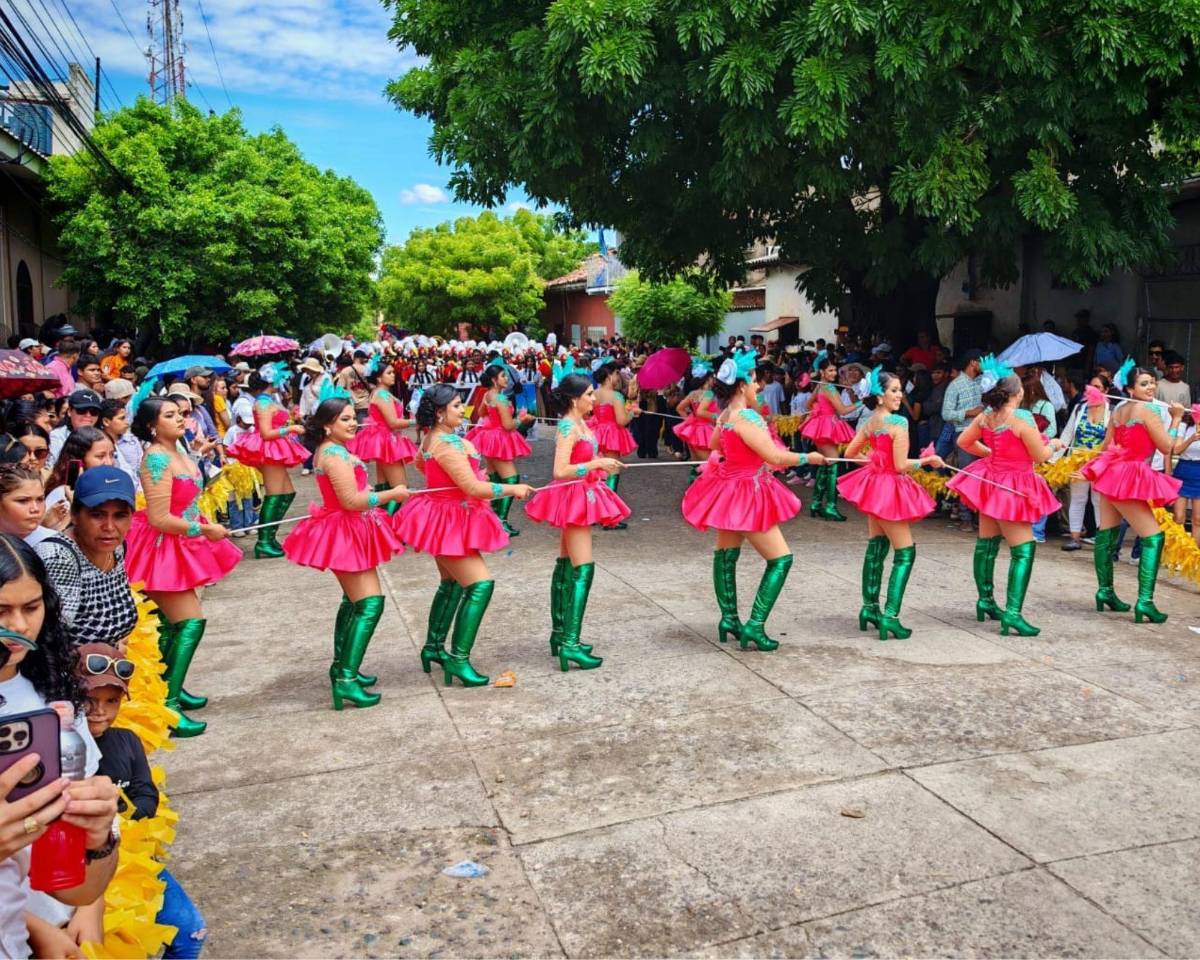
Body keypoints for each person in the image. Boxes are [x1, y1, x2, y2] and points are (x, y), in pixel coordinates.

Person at [0, 535, 120, 959]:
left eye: (31, 608)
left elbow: (81, 884)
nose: (18, 626)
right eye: (1, 611)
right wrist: (37, 930)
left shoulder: (50, 695)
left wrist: (101, 838)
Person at [681, 350, 827, 651]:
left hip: (728, 491)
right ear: (741, 386)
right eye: (753, 382)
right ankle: (755, 625)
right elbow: (773, 456)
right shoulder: (748, 417)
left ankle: (729, 619)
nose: (758, 387)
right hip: (748, 492)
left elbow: (712, 445)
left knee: (725, 557)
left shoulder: (726, 416)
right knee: (781, 559)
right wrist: (807, 456)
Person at [394, 384, 533, 686]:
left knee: (451, 584)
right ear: (441, 412)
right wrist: (511, 489)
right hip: (451, 519)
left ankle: (433, 647)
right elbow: (472, 488)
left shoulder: (434, 438)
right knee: (480, 585)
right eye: (457, 405)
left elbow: (420, 463)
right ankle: (458, 659)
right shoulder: (445, 443)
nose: (463, 410)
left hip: (443, 516)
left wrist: (445, 483)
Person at [79, 643, 207, 958]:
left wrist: (119, 812)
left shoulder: (127, 741)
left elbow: (147, 793)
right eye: (89, 700)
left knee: (192, 933)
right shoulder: (62, 751)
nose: (100, 710)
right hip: (81, 876)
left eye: (111, 701)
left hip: (132, 862)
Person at [126, 396, 239, 737]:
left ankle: (167, 687)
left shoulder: (181, 449)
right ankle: (168, 707)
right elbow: (160, 518)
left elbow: (186, 500)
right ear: (150, 425)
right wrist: (204, 530)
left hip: (184, 542)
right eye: (170, 415)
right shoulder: (157, 458)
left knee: (175, 625)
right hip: (163, 548)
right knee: (190, 622)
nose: (181, 419)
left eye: (182, 414)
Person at [285, 395, 408, 709]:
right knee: (370, 604)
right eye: (345, 419)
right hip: (346, 530)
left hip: (350, 529)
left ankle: (343, 668)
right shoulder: (334, 454)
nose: (354, 422)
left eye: (355, 417)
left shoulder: (334, 450)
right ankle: (346, 679)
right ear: (327, 425)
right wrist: (390, 494)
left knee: (354, 603)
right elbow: (350, 501)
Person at [949, 356, 1065, 636]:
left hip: (990, 480)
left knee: (986, 543)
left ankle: (986, 600)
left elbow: (963, 441)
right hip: (1013, 484)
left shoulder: (985, 416)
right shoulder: (1022, 417)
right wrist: (1055, 445)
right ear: (1018, 392)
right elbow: (1039, 455)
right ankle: (1012, 613)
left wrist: (990, 453)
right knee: (1023, 549)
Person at [524, 374, 627, 670]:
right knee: (583, 568)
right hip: (574, 497)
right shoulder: (569, 426)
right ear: (574, 399)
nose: (594, 399)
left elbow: (579, 462)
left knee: (567, 563)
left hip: (580, 493)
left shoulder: (580, 423)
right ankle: (570, 641)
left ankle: (561, 635)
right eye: (590, 395)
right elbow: (560, 470)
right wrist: (595, 463)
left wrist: (601, 464)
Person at [839, 369, 943, 640]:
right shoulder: (898, 423)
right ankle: (891, 617)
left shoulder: (871, 422)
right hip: (890, 487)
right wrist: (928, 461)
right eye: (894, 390)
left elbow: (851, 453)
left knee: (876, 548)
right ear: (880, 396)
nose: (899, 395)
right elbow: (901, 465)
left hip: (875, 487)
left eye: (900, 390)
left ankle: (869, 609)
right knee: (905, 552)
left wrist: (873, 458)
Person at [1080, 361, 1185, 622]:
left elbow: (1106, 447)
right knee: (1153, 538)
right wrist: (1177, 419)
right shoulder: (1148, 411)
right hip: (1131, 476)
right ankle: (1145, 602)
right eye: (1144, 384)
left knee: (1106, 534)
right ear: (1129, 388)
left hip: (1113, 475)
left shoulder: (1118, 411)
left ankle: (1105, 592)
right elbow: (1167, 446)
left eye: (1152, 382)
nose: (1150, 387)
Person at [36, 466, 139, 648]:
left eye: (120, 516)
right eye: (97, 515)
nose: (109, 526)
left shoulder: (116, 547)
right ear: (75, 515)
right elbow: (51, 641)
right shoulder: (59, 557)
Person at [226, 366, 306, 559]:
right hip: (269, 450)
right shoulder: (262, 403)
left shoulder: (268, 400)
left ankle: (269, 537)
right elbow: (265, 433)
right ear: (272, 381)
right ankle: (264, 541)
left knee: (287, 493)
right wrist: (291, 429)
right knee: (275, 494)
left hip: (274, 449)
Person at [465, 362, 533, 537]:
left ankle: (491, 518)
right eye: (503, 376)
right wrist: (522, 419)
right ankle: (500, 520)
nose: (506, 379)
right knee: (511, 479)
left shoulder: (488, 395)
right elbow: (508, 425)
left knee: (494, 477)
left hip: (488, 438)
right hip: (499, 438)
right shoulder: (501, 399)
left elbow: (481, 413)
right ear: (495, 380)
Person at [346, 356, 418, 509]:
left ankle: (381, 524)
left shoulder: (379, 393)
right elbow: (393, 423)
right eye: (389, 373)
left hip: (384, 440)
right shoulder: (382, 395)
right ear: (379, 377)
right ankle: (387, 525)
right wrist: (417, 421)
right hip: (387, 441)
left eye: (393, 372)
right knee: (400, 488)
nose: (393, 375)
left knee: (384, 486)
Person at [800, 352, 862, 521]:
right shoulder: (829, 388)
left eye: (835, 370)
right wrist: (862, 401)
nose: (834, 374)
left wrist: (817, 410)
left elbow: (807, 404)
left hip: (820, 426)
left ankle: (816, 503)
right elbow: (842, 410)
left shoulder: (820, 386)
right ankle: (830, 507)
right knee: (833, 465)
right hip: (828, 427)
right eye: (830, 370)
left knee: (824, 464)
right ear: (822, 372)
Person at [1058, 374, 1112, 551]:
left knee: (1099, 501)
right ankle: (1075, 538)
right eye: (1091, 386)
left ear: (1106, 391)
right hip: (1077, 460)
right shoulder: (1080, 408)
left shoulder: (1112, 411)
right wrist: (1054, 457)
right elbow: (1067, 434)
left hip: (1100, 463)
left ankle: (1100, 538)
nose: (1093, 390)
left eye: (1098, 387)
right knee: (1078, 499)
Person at [587, 361, 637, 531]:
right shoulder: (615, 396)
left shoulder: (593, 393)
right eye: (616, 373)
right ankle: (609, 516)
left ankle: (594, 512)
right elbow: (622, 421)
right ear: (609, 375)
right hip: (611, 434)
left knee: (597, 473)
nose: (618, 377)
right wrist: (632, 412)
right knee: (612, 472)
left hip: (595, 432)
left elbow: (588, 414)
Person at [942, 350, 985, 530]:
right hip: (964, 433)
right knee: (967, 473)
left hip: (985, 433)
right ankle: (966, 516)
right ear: (973, 363)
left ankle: (980, 515)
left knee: (983, 476)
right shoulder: (955, 385)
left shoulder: (984, 382)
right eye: (981, 361)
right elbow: (946, 413)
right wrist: (969, 413)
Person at [1021, 372, 1060, 544]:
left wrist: (1035, 438)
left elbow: (1052, 431)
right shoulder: (1021, 406)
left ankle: (1038, 530)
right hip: (1023, 452)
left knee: (1040, 490)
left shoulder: (1046, 406)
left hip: (1041, 451)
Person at [673, 364, 719, 473]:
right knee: (709, 465)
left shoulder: (693, 393)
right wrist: (717, 417)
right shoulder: (709, 394)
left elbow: (679, 408)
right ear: (708, 379)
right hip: (706, 431)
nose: (714, 379)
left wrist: (690, 420)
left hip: (693, 430)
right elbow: (700, 412)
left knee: (696, 463)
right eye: (713, 377)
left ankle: (695, 484)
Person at [48, 389, 103, 469]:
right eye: (82, 410)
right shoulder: (57, 436)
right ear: (69, 411)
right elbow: (55, 466)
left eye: (93, 411)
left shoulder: (103, 436)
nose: (88, 415)